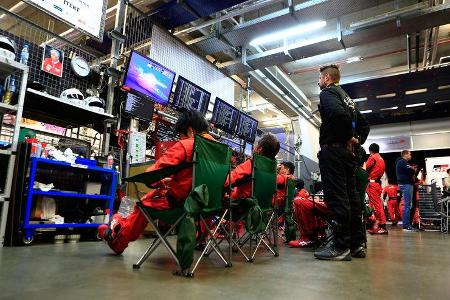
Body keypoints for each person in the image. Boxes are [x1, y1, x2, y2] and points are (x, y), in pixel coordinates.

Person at [98, 110, 214, 254]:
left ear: (190, 131)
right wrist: (173, 180)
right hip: (209, 207)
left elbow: (152, 173)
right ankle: (117, 225)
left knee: (143, 204)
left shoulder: (188, 144)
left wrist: (153, 180)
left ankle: (118, 240)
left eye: (181, 135)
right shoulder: (221, 151)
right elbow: (200, 178)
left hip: (181, 205)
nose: (180, 138)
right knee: (157, 196)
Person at [314, 64, 370, 261]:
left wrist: (349, 138)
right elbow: (364, 124)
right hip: (348, 156)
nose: (318, 82)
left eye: (320, 78)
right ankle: (356, 245)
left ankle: (340, 247)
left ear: (327, 78)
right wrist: (356, 139)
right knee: (352, 199)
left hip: (334, 152)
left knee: (337, 199)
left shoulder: (328, 93)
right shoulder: (347, 98)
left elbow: (338, 115)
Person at [227, 133, 280, 200]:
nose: (254, 146)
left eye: (256, 144)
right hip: (262, 208)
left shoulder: (252, 164)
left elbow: (227, 181)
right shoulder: (273, 168)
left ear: (259, 149)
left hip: (242, 205)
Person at [365, 143, 387, 234]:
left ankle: (382, 225)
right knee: (372, 204)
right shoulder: (381, 159)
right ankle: (375, 225)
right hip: (377, 184)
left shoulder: (372, 157)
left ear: (370, 151)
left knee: (377, 205)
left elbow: (364, 168)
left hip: (372, 184)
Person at [396, 150, 417, 232]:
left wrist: (412, 169)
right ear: (405, 155)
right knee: (408, 205)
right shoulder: (402, 162)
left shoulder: (402, 162)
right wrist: (413, 169)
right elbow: (411, 171)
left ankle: (407, 224)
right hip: (406, 184)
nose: (411, 156)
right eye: (410, 154)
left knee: (408, 205)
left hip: (405, 184)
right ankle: (406, 226)